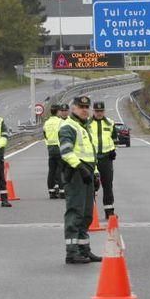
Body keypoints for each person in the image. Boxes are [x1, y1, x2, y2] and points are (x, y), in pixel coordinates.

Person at [58, 96, 101, 264]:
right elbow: (66, 152)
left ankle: (84, 249)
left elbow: (91, 154)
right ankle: (72, 252)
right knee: (75, 213)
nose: (84, 109)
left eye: (86, 107)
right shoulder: (68, 126)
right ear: (73, 108)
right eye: (80, 107)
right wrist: (81, 168)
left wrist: (95, 173)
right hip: (75, 173)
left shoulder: (84, 127)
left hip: (87, 173)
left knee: (86, 214)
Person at [88, 101, 118, 218]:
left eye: (101, 111)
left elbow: (114, 139)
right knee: (91, 185)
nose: (99, 113)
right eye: (97, 111)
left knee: (108, 184)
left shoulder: (110, 123)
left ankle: (109, 211)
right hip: (91, 158)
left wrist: (113, 150)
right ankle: (90, 212)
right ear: (93, 111)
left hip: (106, 158)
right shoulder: (87, 124)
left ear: (104, 111)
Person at [43, 104, 63, 199]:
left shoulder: (46, 123)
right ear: (58, 111)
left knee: (51, 171)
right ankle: (62, 191)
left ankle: (51, 192)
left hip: (50, 148)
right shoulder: (60, 122)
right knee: (61, 170)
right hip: (59, 147)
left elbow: (45, 135)